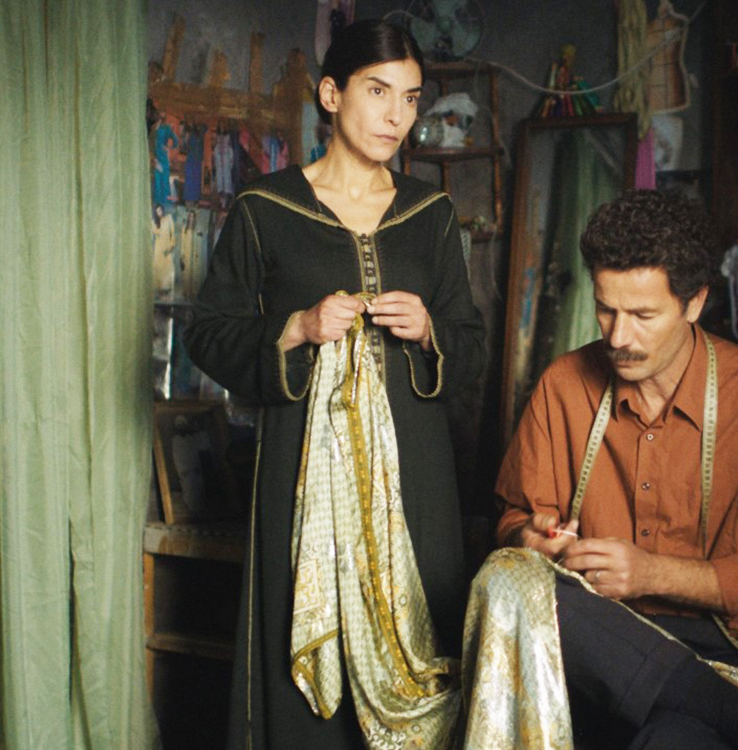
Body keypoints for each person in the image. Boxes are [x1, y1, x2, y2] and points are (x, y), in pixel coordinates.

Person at [184, 19, 485, 750]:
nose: (396, 116)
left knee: (427, 645)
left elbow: (471, 352)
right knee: (303, 672)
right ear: (331, 93)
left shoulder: (431, 215)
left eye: (411, 98)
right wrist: (294, 329)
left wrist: (429, 330)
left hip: (417, 480)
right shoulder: (266, 210)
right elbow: (208, 333)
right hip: (303, 475)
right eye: (378, 92)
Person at [494, 190, 738, 749]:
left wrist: (653, 573)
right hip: (599, 645)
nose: (617, 336)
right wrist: (532, 540)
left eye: (643, 315)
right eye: (606, 308)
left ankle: (732, 711)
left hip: (730, 649)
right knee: (510, 583)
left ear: (695, 302)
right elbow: (513, 523)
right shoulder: (563, 385)